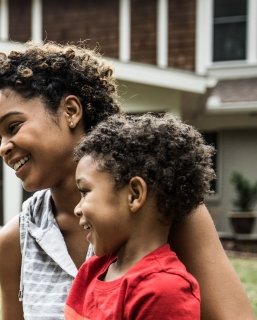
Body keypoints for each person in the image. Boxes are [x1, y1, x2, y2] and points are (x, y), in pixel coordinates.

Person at [0, 42, 255, 319]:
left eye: (13, 127)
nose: (3, 147)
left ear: (71, 111)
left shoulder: (163, 209)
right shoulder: (17, 240)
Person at [65, 114, 213, 319]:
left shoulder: (164, 290)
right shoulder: (92, 270)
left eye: (85, 191)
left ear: (134, 195)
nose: (77, 209)